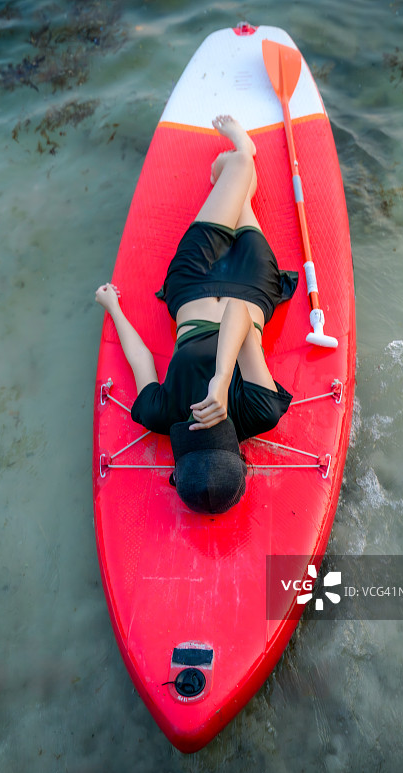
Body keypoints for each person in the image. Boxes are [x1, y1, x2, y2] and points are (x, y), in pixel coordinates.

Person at [95, 115, 298, 514]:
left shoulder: (163, 414)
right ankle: (240, 154)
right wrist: (222, 379)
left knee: (237, 170)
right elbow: (239, 313)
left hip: (193, 279)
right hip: (250, 285)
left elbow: (141, 363)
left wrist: (113, 308)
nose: (196, 425)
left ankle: (239, 159)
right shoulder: (257, 412)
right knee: (237, 175)